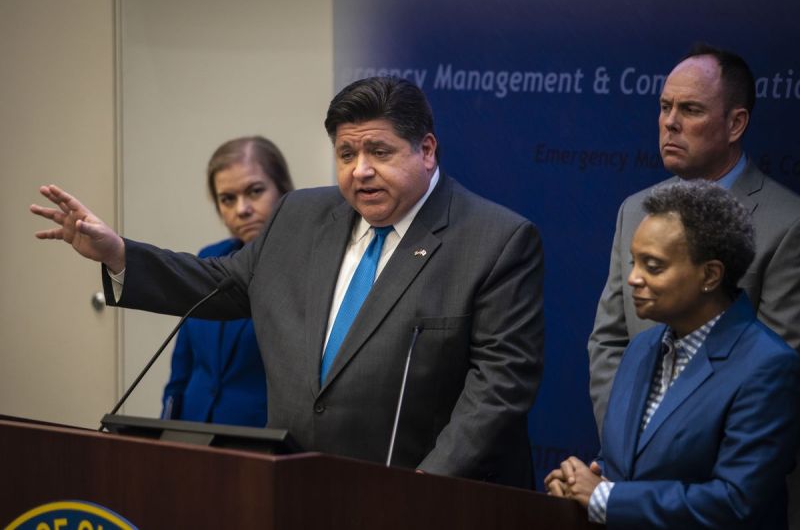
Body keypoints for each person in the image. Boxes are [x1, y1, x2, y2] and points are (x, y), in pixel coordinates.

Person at [30, 77, 544, 487]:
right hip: (301, 487)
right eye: (346, 154)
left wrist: (421, 488)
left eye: (379, 153)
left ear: (426, 150)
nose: (360, 172)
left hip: (426, 499)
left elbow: (498, 390)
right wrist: (120, 253)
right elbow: (222, 284)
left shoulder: (496, 241)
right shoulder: (299, 215)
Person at [547, 181, 800, 528]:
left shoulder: (768, 366)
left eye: (653, 266)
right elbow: (622, 462)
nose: (633, 278)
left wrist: (606, 498)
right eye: (634, 262)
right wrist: (579, 482)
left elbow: (736, 501)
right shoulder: (641, 347)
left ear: (710, 275)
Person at [589, 44, 800, 432]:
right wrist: (625, 441)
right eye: (665, 106)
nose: (670, 122)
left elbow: (776, 377)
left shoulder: (788, 224)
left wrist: (667, 455)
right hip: (632, 464)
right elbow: (608, 343)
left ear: (735, 124)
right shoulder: (635, 211)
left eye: (690, 110)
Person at [161, 136, 294, 427]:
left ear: (284, 190)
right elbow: (182, 367)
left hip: (261, 440)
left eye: (255, 191)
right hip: (193, 433)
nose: (241, 209)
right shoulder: (209, 258)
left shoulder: (304, 265)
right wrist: (166, 430)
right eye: (227, 199)